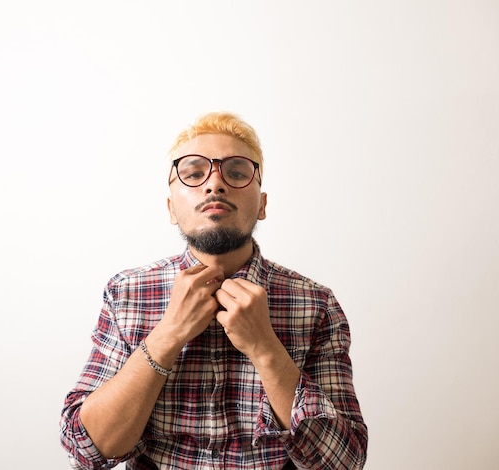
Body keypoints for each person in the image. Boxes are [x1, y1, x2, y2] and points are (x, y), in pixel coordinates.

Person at [59, 112, 368, 469]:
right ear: (172, 208)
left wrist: (266, 349)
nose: (214, 185)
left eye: (236, 172)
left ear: (263, 205)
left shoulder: (316, 305)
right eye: (193, 174)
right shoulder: (127, 294)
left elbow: (345, 462)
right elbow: (85, 451)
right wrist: (168, 335)